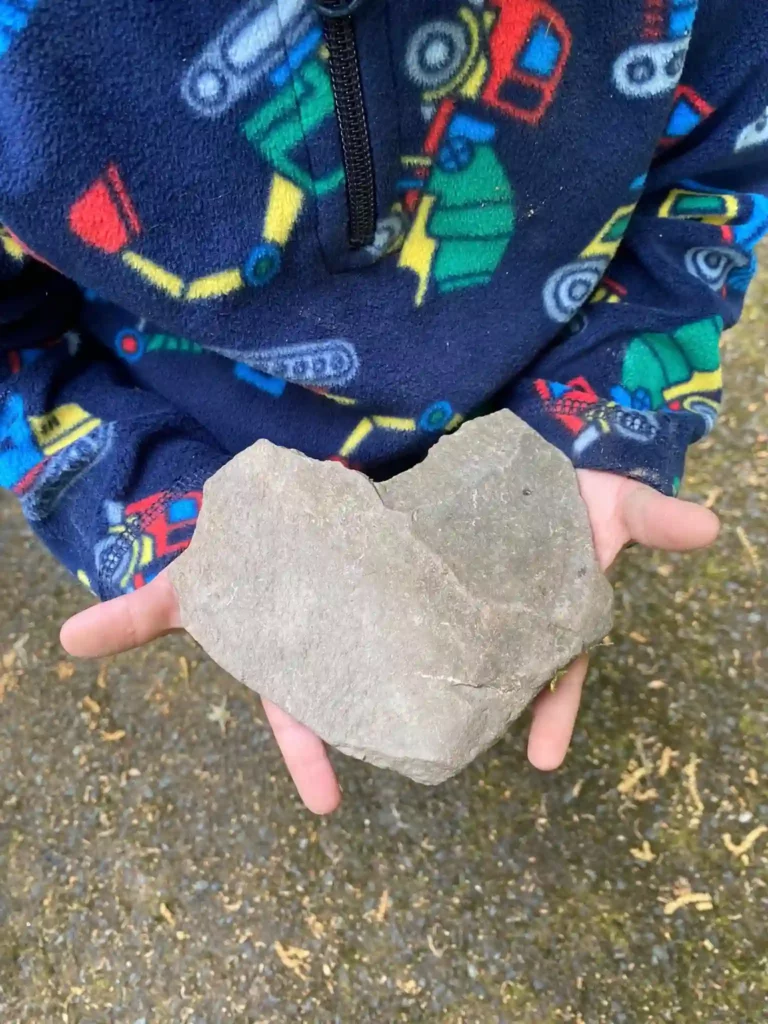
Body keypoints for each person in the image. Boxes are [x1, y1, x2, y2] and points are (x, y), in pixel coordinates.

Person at [1, 0, 764, 812]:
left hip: (528, 410)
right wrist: (165, 512)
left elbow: (714, 176)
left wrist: (602, 406)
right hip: (220, 442)